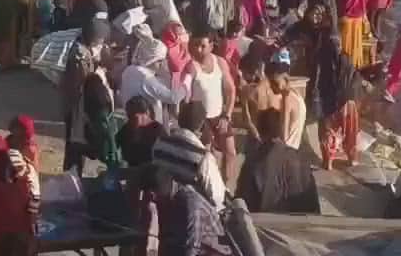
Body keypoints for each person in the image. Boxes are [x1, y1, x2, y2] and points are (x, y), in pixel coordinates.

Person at [152, 131, 232, 256]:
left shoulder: (191, 204)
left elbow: (192, 247)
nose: (155, 195)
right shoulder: (175, 199)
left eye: (157, 190)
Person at [235, 109, 320, 215]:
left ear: (259, 130)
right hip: (301, 222)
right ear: (282, 129)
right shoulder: (302, 159)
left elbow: (240, 206)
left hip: (265, 223)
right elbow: (314, 206)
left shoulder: (253, 162)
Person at [183, 29, 238, 181]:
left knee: (231, 152)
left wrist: (227, 115)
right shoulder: (191, 66)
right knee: (207, 158)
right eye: (195, 45)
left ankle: (226, 186)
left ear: (211, 46)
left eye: (202, 45)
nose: (198, 49)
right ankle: (208, 186)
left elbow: (231, 90)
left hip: (219, 115)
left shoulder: (220, 63)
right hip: (200, 119)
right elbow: (185, 90)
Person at [60, 19, 108, 174]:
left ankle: (73, 173)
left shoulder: (83, 51)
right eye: (101, 39)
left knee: (76, 145)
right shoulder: (80, 56)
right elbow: (79, 84)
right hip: (77, 109)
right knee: (75, 146)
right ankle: (71, 177)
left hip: (77, 107)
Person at [315, 31, 360, 171]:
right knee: (351, 132)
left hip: (330, 102)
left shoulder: (322, 60)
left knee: (327, 131)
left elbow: (317, 83)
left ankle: (328, 161)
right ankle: (352, 159)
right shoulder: (348, 58)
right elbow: (355, 79)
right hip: (348, 103)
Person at [119, 33, 184, 126]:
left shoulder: (129, 70)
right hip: (147, 126)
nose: (162, 64)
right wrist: (185, 84)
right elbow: (173, 98)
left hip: (131, 121)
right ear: (151, 59)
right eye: (160, 61)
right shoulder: (145, 77)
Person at [264, 60, 305, 150]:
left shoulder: (286, 99)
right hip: (294, 147)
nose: (272, 86)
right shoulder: (296, 94)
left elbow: (284, 136)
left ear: (285, 79)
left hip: (286, 149)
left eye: (275, 83)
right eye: (270, 83)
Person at [117, 95, 165, 167]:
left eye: (134, 116)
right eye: (129, 116)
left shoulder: (158, 130)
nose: (130, 119)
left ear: (147, 113)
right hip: (131, 170)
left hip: (152, 170)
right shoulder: (126, 129)